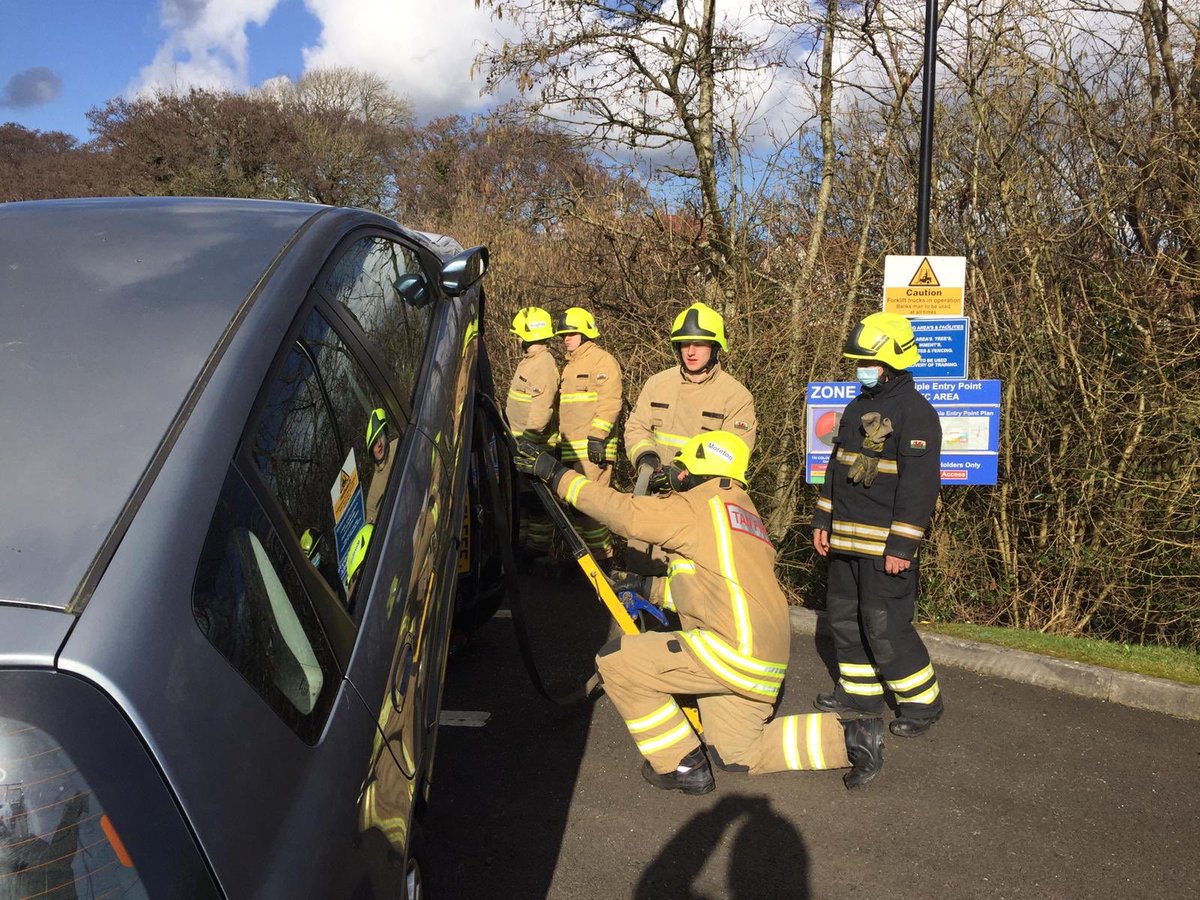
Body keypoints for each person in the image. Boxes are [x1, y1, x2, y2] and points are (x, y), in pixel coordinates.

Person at [515, 430, 885, 792]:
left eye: (679, 467)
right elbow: (715, 589)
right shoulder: (744, 513)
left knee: (618, 660)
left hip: (732, 649)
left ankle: (681, 764)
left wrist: (554, 473)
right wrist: (649, 588)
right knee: (739, 752)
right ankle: (853, 736)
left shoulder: (699, 504)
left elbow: (622, 512)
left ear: (693, 471)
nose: (674, 474)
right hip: (764, 659)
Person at [811, 311, 945, 737]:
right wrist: (822, 518)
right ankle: (859, 692)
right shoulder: (856, 407)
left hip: (885, 549)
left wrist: (901, 548)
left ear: (891, 363)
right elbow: (837, 468)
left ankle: (922, 703)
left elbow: (919, 488)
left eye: (868, 363)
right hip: (845, 542)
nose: (861, 370)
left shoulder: (916, 413)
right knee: (844, 619)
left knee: (885, 625)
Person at [625, 301, 756, 482]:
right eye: (685, 344)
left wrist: (692, 478)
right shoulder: (657, 384)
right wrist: (646, 458)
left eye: (699, 344)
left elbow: (735, 451)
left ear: (715, 347)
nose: (691, 352)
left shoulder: (737, 397)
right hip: (655, 492)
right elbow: (636, 428)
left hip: (703, 497)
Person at [555, 306, 623, 562]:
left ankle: (604, 559)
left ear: (585, 333)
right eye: (564, 335)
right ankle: (586, 560)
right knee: (576, 507)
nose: (566, 339)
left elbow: (610, 402)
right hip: (572, 449)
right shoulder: (569, 366)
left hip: (594, 449)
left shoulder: (602, 361)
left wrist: (598, 436)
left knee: (592, 508)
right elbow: (568, 410)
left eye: (571, 334)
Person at [505, 306, 560, 556]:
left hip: (534, 445)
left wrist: (528, 442)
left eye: (519, 334)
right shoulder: (530, 362)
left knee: (536, 502)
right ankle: (524, 545)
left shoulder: (544, 366)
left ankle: (537, 551)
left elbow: (541, 410)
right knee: (524, 500)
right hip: (520, 443)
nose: (517, 338)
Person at [363, 407, 398, 525]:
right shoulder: (372, 500)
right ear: (371, 452)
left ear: (385, 434)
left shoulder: (399, 446)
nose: (379, 444)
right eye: (374, 443)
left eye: (380, 436)